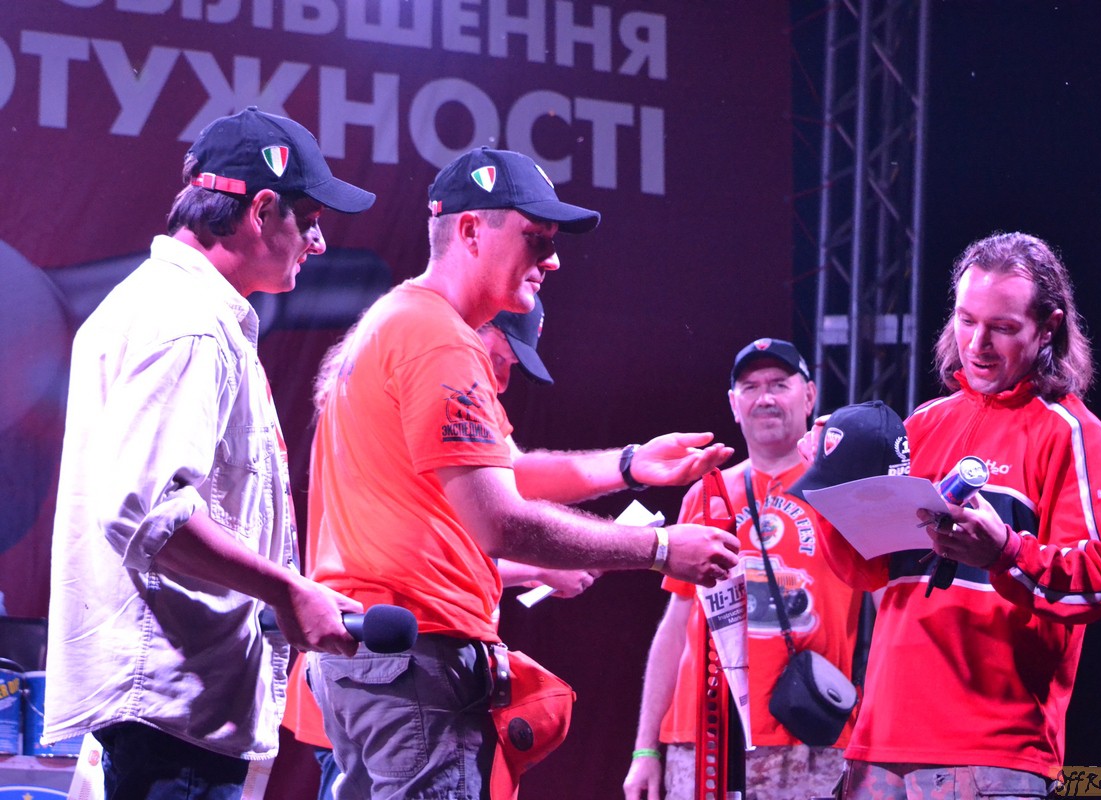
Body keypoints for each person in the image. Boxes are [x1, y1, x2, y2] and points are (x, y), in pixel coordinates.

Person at [303, 146, 741, 800]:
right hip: (414, 659)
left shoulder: (396, 321)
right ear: (471, 231)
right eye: (537, 239)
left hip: (373, 659)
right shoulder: (438, 338)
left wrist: (628, 464)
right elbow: (501, 522)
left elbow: (503, 472)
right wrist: (658, 549)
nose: (553, 260)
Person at [43, 107, 375, 800]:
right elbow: (149, 513)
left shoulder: (166, 307)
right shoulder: (189, 323)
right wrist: (288, 591)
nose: (317, 243)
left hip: (167, 715)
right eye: (310, 220)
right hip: (174, 721)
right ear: (261, 210)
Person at [814, 232, 1101, 799]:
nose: (977, 344)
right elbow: (868, 571)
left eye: (1002, 326)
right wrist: (829, 491)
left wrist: (1005, 551)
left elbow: (1095, 585)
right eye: (965, 320)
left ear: (1048, 328)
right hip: (879, 745)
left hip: (992, 753)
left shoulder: (1071, 432)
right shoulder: (922, 424)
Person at [280, 297, 595, 800]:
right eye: (499, 357)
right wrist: (645, 536)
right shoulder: (427, 387)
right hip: (398, 661)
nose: (501, 380)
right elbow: (426, 555)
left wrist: (627, 468)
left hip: (361, 664)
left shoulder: (366, 397)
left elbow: (449, 533)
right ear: (470, 329)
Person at [623, 338, 866, 800]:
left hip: (811, 733)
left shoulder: (843, 491)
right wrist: (645, 749)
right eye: (750, 387)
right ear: (734, 405)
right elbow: (676, 626)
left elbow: (890, 607)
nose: (765, 397)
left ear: (810, 396)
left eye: (779, 384)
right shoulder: (706, 494)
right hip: (704, 737)